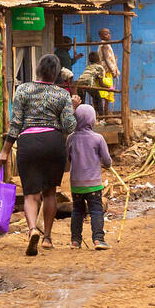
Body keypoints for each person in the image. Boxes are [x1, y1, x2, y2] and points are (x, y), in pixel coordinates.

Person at [1, 54, 76, 256]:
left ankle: (33, 228)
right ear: (56, 73)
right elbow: (69, 126)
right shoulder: (62, 95)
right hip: (53, 143)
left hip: (28, 143)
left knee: (31, 194)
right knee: (50, 192)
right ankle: (48, 238)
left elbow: (15, 124)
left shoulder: (23, 90)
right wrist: (74, 107)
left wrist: (5, 151)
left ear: (38, 70)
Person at [66, 103, 110, 250]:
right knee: (96, 210)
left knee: (77, 211)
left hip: (76, 185)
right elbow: (107, 160)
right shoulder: (98, 138)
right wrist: (106, 165)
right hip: (94, 184)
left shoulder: (71, 139)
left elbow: (69, 159)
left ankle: (75, 241)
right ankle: (98, 239)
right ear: (93, 119)